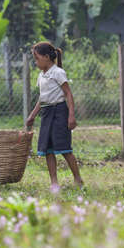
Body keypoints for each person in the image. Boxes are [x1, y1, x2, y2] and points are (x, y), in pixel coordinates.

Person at [26, 41, 84, 193]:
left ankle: (77, 178)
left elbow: (68, 93)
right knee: (48, 149)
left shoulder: (58, 72)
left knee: (64, 148)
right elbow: (42, 98)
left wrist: (71, 115)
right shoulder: (41, 76)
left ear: (46, 57)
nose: (36, 62)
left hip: (59, 112)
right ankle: (54, 182)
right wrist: (32, 115)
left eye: (37, 58)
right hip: (46, 113)